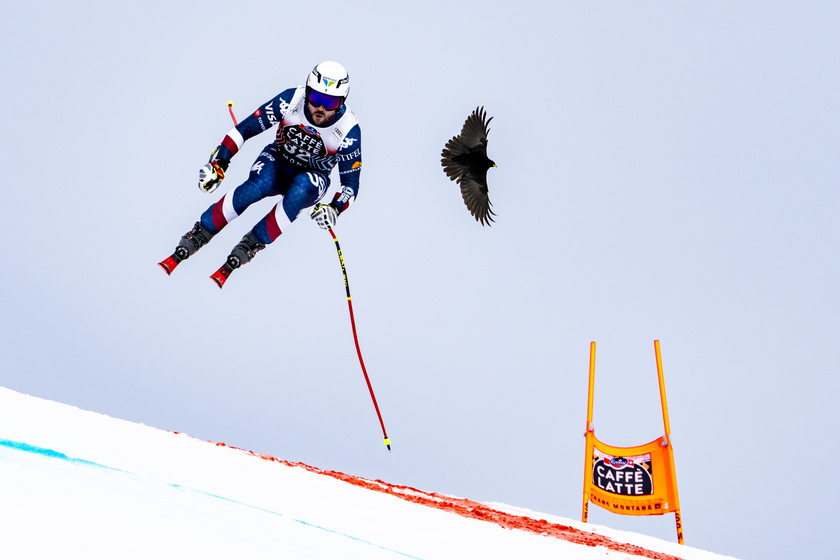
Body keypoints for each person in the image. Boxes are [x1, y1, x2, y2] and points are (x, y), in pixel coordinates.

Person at [159, 61, 362, 288]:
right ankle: (199, 232)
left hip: (314, 177)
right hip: (278, 161)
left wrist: (334, 208)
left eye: (330, 102)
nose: (320, 108)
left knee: (300, 188)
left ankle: (251, 244)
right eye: (315, 98)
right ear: (307, 91)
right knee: (258, 185)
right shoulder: (291, 99)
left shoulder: (348, 130)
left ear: (342, 102)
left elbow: (350, 185)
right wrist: (219, 164)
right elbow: (244, 129)